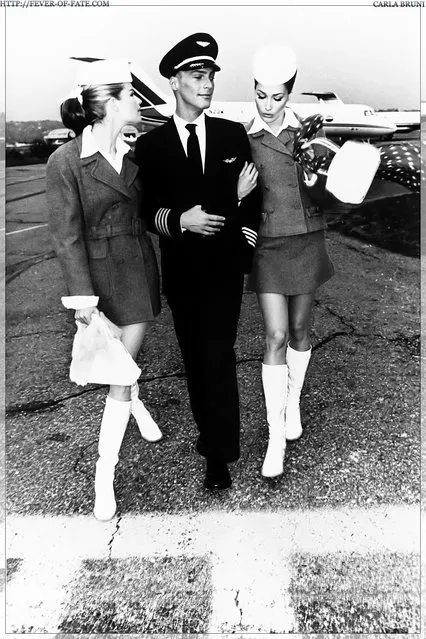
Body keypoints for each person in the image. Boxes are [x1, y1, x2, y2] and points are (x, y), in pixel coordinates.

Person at [135, 33, 260, 490]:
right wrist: (180, 220)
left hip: (225, 267)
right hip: (184, 272)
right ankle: (211, 437)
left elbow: (252, 199)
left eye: (210, 75)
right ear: (174, 81)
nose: (207, 83)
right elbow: (145, 210)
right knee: (196, 358)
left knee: (219, 356)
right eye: (196, 74)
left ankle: (219, 451)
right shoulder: (152, 147)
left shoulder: (232, 134)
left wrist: (243, 251)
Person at [46, 59, 162, 521]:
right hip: (95, 284)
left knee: (122, 371)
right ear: (112, 104)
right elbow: (67, 236)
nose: (138, 102)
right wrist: (84, 305)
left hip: (136, 271)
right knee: (123, 372)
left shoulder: (134, 157)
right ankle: (104, 477)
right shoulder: (66, 162)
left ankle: (128, 417)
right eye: (131, 95)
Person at [245, 44, 334, 478]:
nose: (268, 104)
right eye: (261, 94)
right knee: (275, 334)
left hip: (306, 238)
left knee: (300, 330)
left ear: (290, 94)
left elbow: (332, 194)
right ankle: (274, 435)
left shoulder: (310, 134)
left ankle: (292, 401)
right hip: (268, 243)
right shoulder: (243, 138)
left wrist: (320, 180)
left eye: (277, 97)